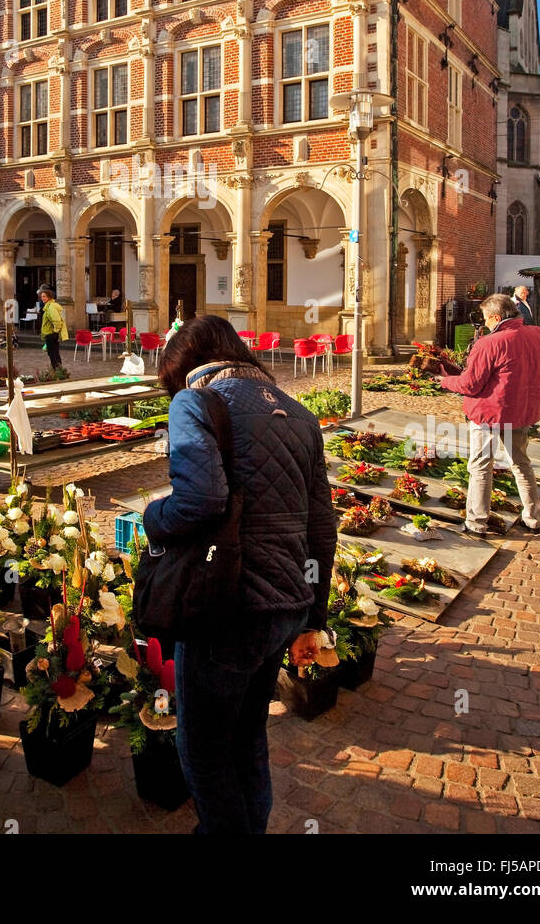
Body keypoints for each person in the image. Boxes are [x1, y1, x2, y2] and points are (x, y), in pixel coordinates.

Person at [141, 315, 337, 835]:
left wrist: (152, 517)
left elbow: (202, 501)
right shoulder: (299, 413)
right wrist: (312, 616)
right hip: (285, 603)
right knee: (249, 736)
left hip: (226, 604)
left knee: (204, 749)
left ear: (186, 366)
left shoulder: (195, 401)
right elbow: (322, 525)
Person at [424, 293, 540, 535]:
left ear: (497, 317)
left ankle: (476, 522)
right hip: (522, 413)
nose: (484, 324)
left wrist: (445, 380)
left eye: (485, 319)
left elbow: (470, 385)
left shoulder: (490, 343)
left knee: (480, 466)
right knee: (521, 464)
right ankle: (532, 518)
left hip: (489, 415)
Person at [38, 286, 68, 371]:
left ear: (49, 297)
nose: (42, 298)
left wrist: (55, 332)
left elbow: (57, 320)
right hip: (51, 333)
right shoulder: (48, 306)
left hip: (51, 334)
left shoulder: (51, 307)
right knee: (55, 353)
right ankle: (59, 369)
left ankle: (56, 371)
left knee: (52, 353)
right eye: (42, 296)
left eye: (44, 296)